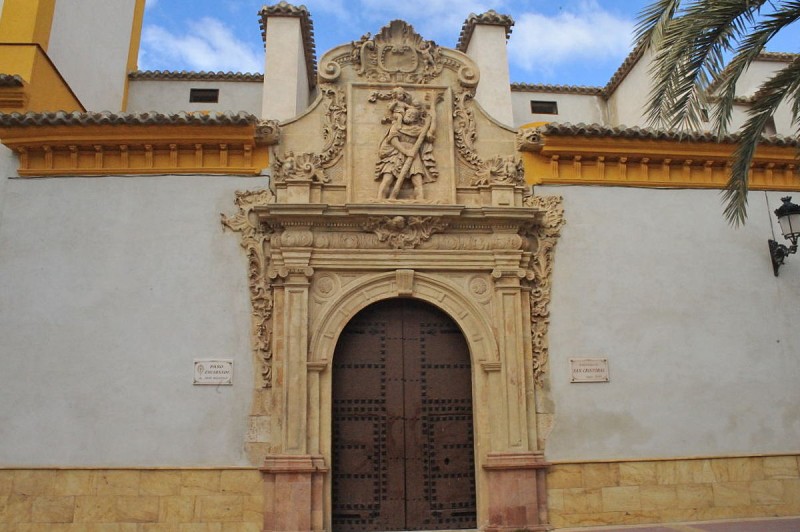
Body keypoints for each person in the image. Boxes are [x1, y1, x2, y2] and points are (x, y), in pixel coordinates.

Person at [375, 95, 437, 200]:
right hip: (396, 153)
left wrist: (433, 115)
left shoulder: (418, 129)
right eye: (408, 113)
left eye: (412, 114)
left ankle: (420, 199)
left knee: (417, 179)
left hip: (414, 153)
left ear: (416, 118)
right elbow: (393, 140)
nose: (409, 115)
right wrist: (406, 151)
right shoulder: (397, 126)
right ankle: (381, 199)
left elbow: (431, 134)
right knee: (388, 178)